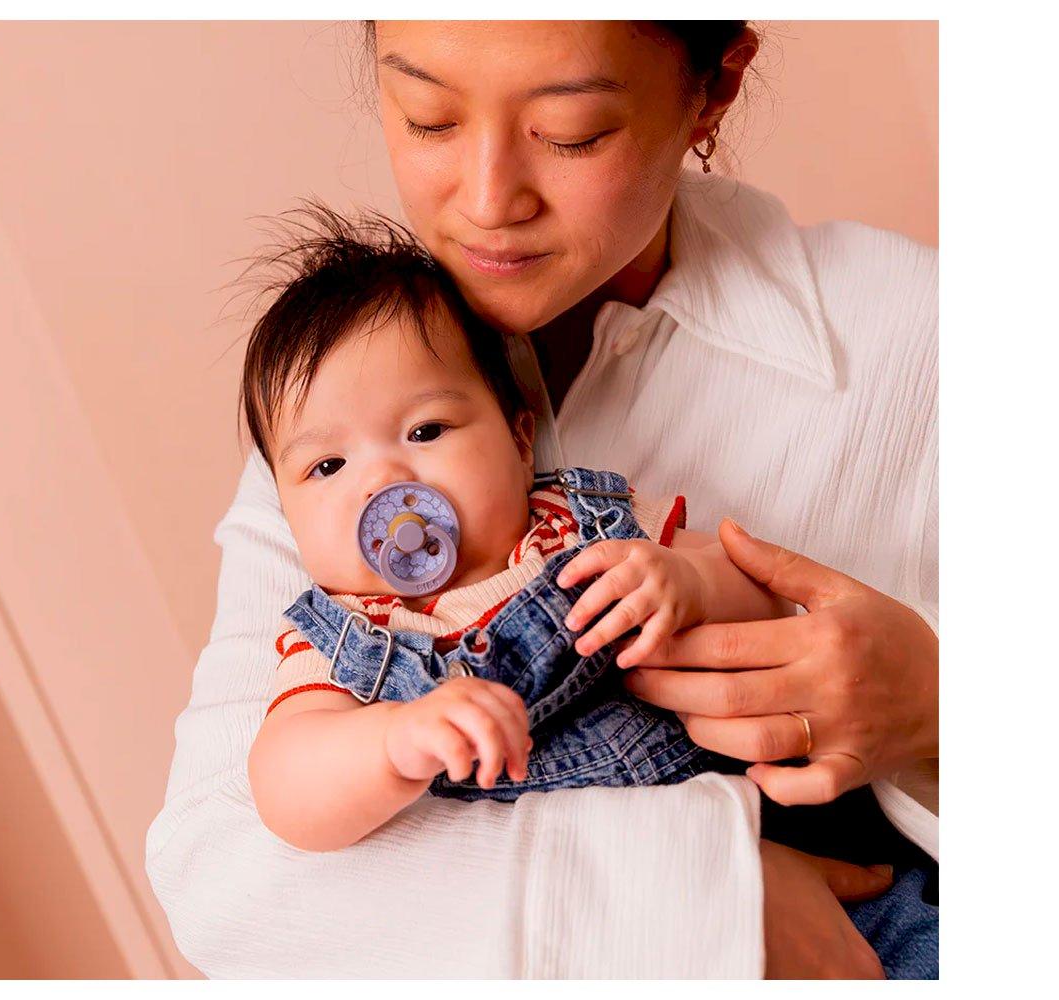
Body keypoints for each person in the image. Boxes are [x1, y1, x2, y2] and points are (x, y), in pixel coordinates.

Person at [146, 21, 938, 978]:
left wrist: (940, 704)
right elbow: (226, 875)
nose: (487, 202)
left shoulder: (918, 335)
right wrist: (718, 901)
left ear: (714, 88)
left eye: (570, 134)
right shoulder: (340, 417)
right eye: (428, 118)